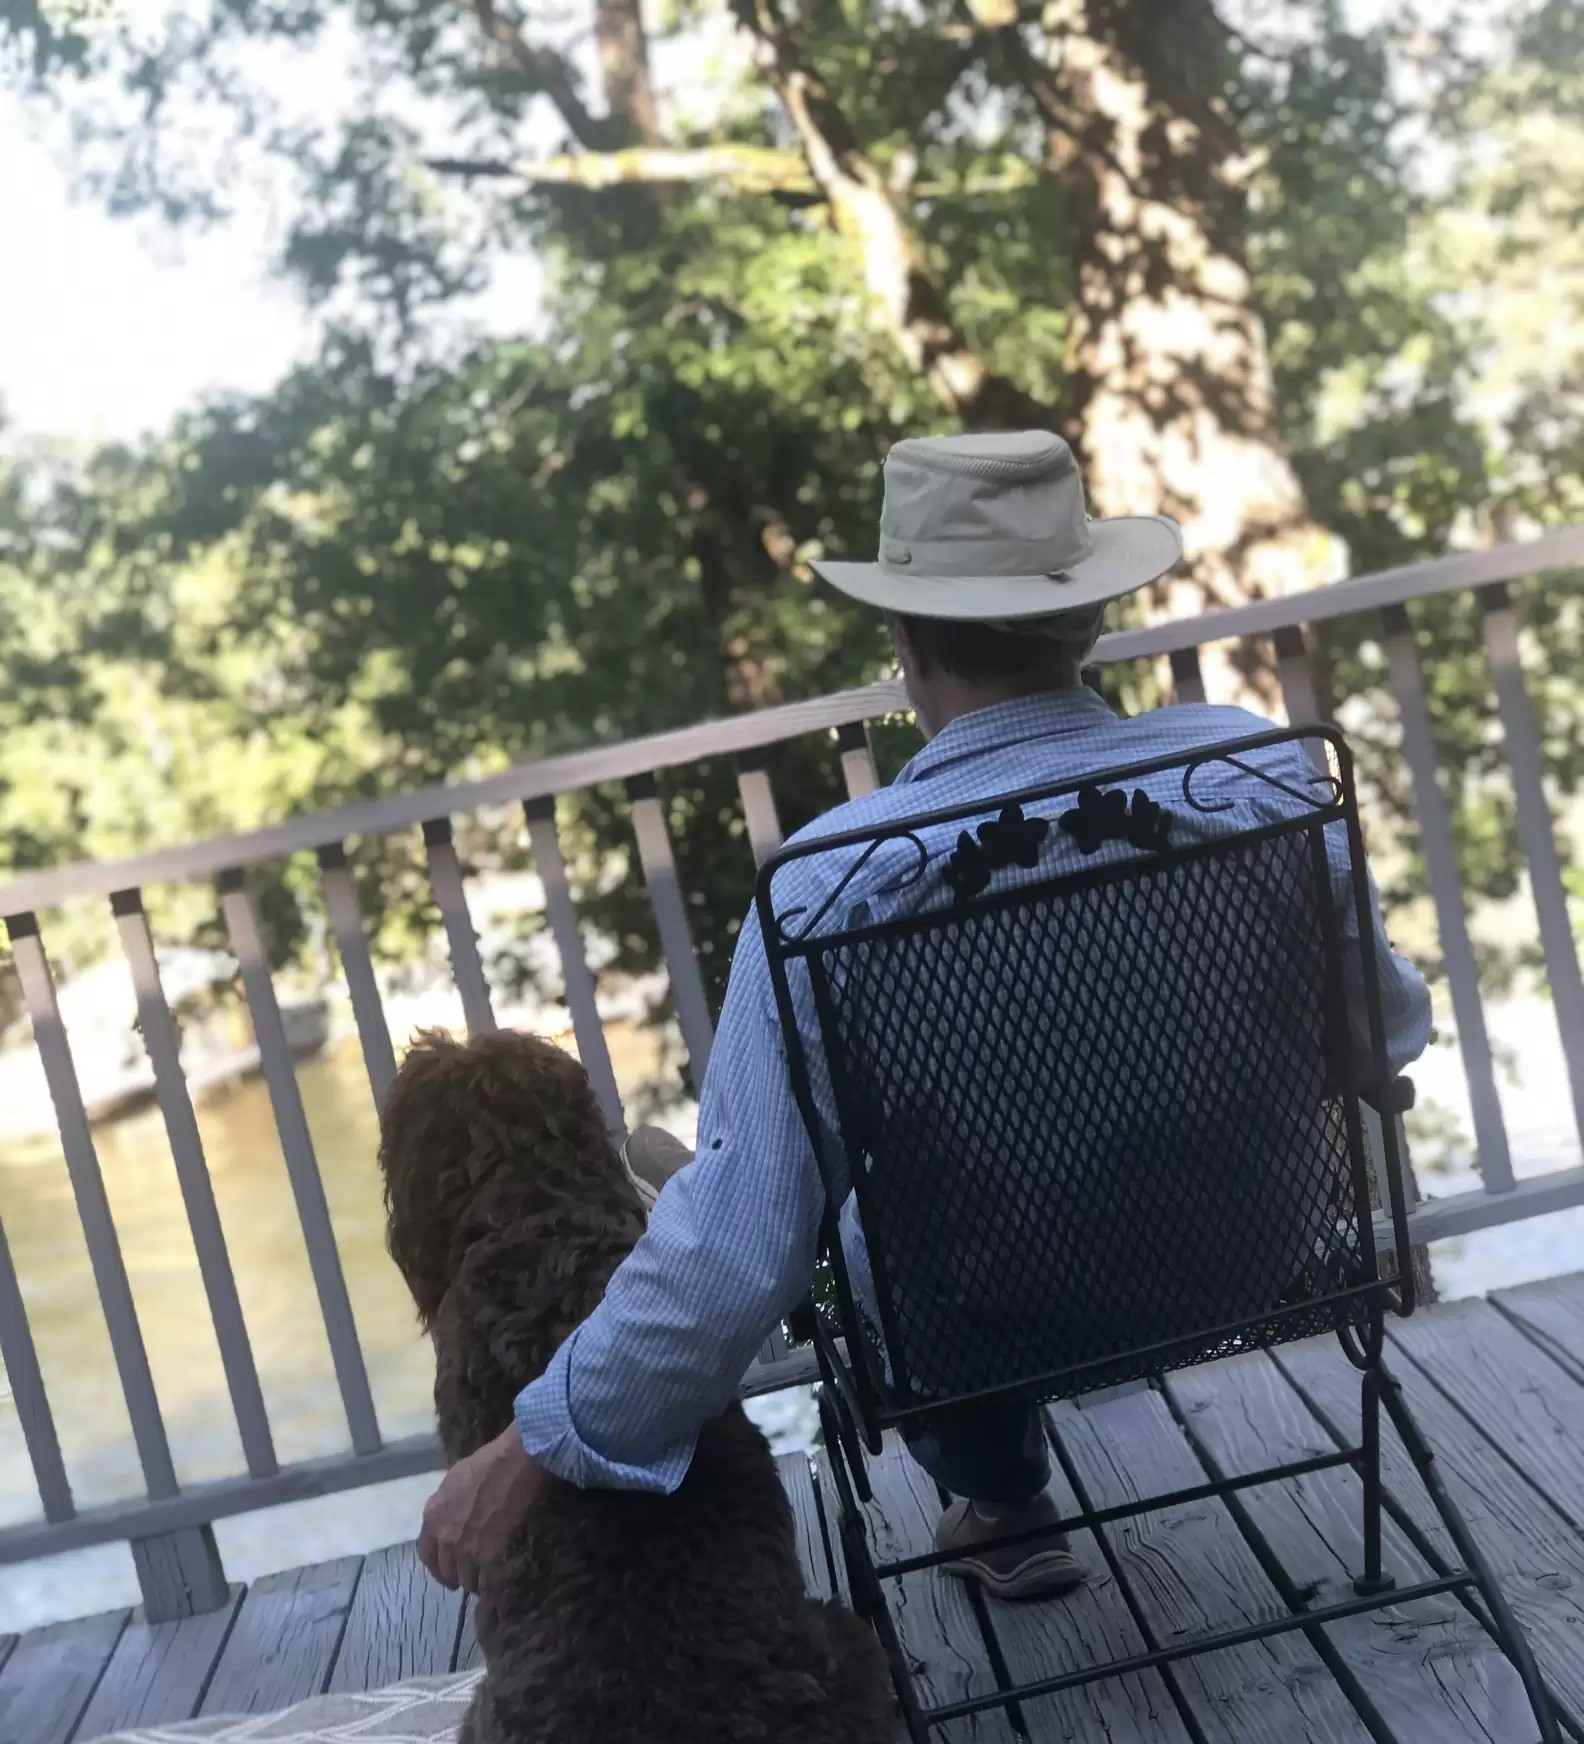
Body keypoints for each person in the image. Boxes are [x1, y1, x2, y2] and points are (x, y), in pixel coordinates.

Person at [417, 430, 1431, 1602]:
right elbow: (1386, 1037)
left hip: (978, 1334)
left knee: (779, 1191)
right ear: (1090, 619)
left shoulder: (833, 884)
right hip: (1263, 1259)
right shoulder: (1259, 777)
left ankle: (1000, 1494)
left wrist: (534, 1441)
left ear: (903, 644)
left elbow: (739, 1252)